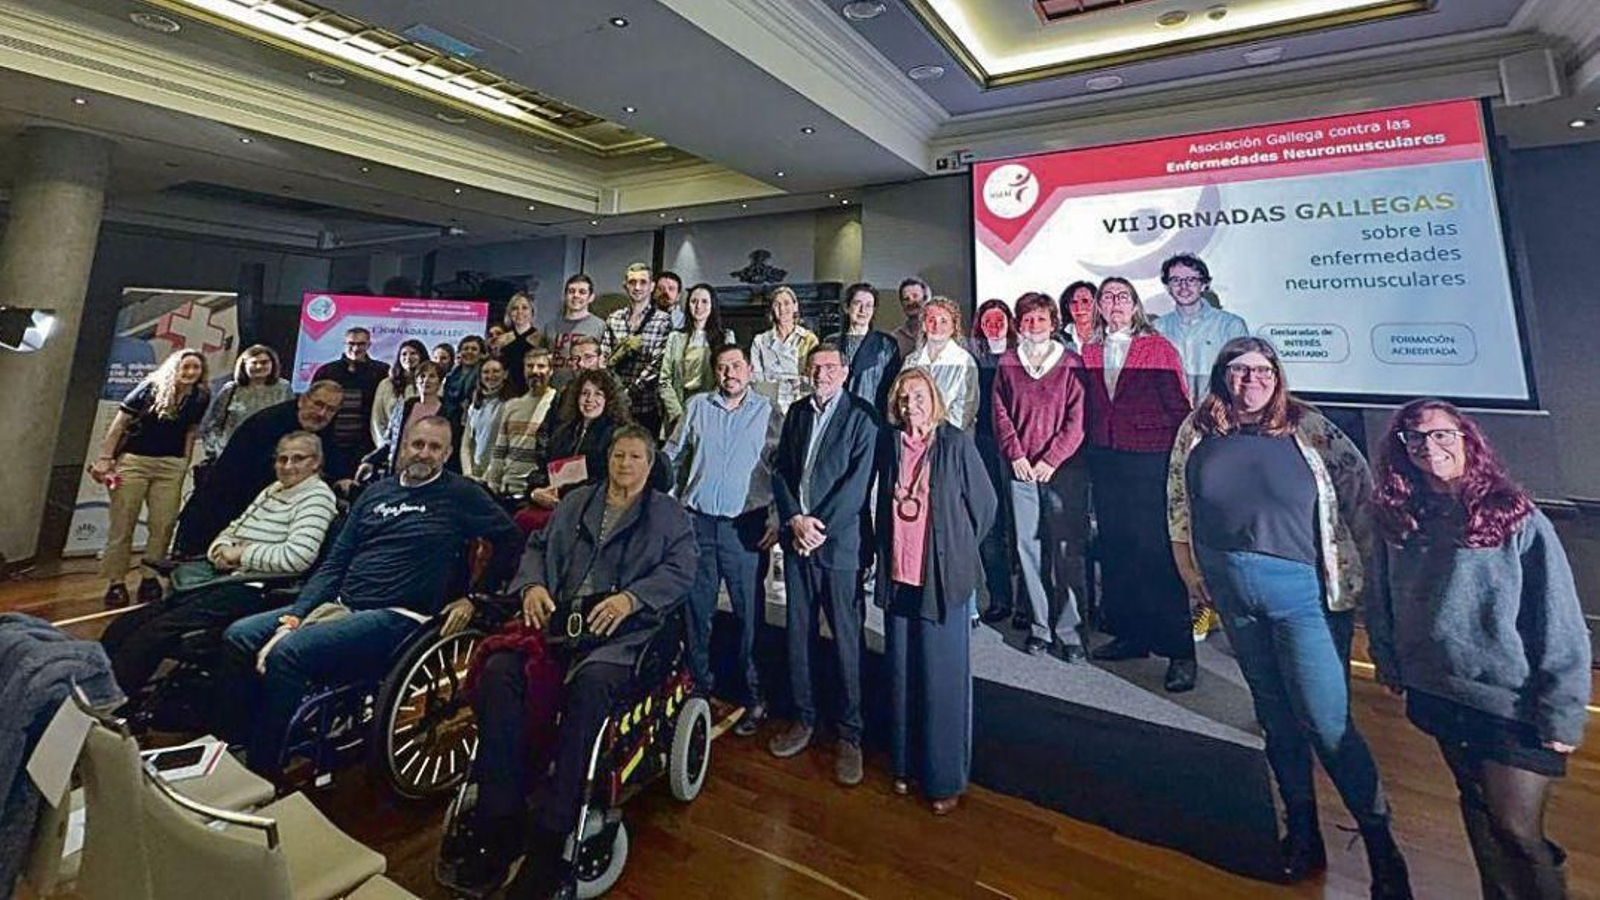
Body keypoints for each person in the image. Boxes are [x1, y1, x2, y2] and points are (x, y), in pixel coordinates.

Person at [1167, 337, 1409, 892]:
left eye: (1260, 370)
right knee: (1275, 718)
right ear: (1222, 376)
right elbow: (1178, 501)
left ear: (1277, 376)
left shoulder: (1312, 428)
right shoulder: (1197, 428)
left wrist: (1377, 592)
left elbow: (1361, 499)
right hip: (1231, 594)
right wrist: (1187, 566)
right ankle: (1302, 830)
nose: (1250, 380)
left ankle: (1381, 845)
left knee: (1327, 724)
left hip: (1306, 596)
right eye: (1238, 370)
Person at [216, 416, 521, 777]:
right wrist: (296, 615)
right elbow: (335, 562)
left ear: (448, 453)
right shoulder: (377, 492)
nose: (424, 453)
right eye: (417, 444)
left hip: (401, 616)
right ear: (403, 445)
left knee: (289, 653)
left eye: (435, 447)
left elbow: (512, 539)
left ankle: (262, 769)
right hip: (342, 604)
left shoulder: (461, 494)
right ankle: (233, 744)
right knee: (238, 636)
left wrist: (475, 597)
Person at [1370, 399, 1590, 898]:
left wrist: (1562, 711)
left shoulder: (1516, 516)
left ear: (1468, 439)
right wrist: (1388, 658)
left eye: (1443, 434)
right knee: (1476, 804)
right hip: (1439, 692)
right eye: (1417, 438)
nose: (1430, 446)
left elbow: (1559, 621)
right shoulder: (1401, 517)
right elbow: (1380, 593)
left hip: (1512, 705)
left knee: (1516, 828)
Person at [464, 426, 696, 898]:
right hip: (556, 624)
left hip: (621, 637)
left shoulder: (669, 516)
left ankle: (551, 835)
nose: (624, 464)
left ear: (651, 466)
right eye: (617, 454)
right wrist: (531, 586)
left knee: (589, 690)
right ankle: (499, 814)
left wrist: (632, 599)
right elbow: (535, 549)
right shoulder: (576, 502)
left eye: (635, 457)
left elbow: (681, 570)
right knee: (499, 673)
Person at [101, 432, 338, 700]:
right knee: (124, 625)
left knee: (153, 633)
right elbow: (234, 528)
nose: (287, 466)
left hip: (256, 588)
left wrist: (240, 554)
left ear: (316, 463)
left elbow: (297, 557)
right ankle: (89, 693)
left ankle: (110, 706)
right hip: (221, 577)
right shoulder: (273, 490)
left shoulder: (317, 498)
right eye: (282, 459)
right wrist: (219, 551)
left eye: (298, 459)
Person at [875, 368, 996, 815]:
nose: (912, 406)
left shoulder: (956, 443)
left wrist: (953, 548)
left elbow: (985, 509)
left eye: (920, 396)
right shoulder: (891, 445)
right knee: (903, 675)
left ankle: (945, 779)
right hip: (898, 576)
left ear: (935, 398)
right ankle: (906, 766)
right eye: (904, 398)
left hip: (943, 581)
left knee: (942, 684)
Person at [768, 344, 878, 786]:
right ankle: (804, 718)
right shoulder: (796, 412)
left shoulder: (863, 416)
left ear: (846, 372)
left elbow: (858, 483)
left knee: (847, 641)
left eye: (831, 367)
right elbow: (780, 471)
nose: (822, 373)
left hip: (840, 547)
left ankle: (850, 735)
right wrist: (795, 518)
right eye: (815, 366)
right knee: (799, 634)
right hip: (798, 540)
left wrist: (819, 529)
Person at [1080, 277, 1196, 692]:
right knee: (1117, 550)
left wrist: (1180, 458)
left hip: (1150, 457)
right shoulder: (1090, 348)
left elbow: (1179, 406)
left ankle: (1180, 650)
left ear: (1135, 305)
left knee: (1157, 554)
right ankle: (1131, 635)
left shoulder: (1157, 347)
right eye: (1107, 297)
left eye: (1122, 297)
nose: (1114, 303)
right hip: (1106, 457)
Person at [662, 344, 781, 734]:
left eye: (736, 365)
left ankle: (753, 697)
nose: (729, 372)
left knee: (748, 617)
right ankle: (698, 689)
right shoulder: (696, 406)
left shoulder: (768, 412)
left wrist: (778, 517)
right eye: (722, 367)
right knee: (697, 613)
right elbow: (672, 455)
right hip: (696, 525)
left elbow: (783, 469)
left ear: (749, 369)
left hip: (744, 528)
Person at [991, 293, 1089, 659]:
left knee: (1067, 550)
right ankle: (1040, 627)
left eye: (1041, 320)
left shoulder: (1071, 363)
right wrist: (1015, 454)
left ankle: (1071, 633)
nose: (1033, 326)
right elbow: (1000, 414)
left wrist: (1051, 459)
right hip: (1020, 470)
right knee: (1027, 549)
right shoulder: (1008, 363)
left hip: (1065, 472)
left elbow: (1077, 421)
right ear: (1019, 324)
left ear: (1053, 323)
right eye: (1027, 320)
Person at [88, 349, 210, 608]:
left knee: (163, 524)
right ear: (174, 367)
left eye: (195, 368)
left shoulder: (200, 396)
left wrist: (184, 461)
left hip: (170, 465)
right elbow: (120, 424)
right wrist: (105, 458)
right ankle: (116, 582)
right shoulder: (150, 389)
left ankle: (149, 577)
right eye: (185, 367)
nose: (190, 373)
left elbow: (191, 430)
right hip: (134, 462)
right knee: (123, 523)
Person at [172, 382, 344, 555]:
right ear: (303, 400)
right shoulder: (267, 424)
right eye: (318, 404)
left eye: (330, 409)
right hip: (224, 505)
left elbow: (332, 459)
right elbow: (240, 477)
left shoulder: (323, 428)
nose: (322, 413)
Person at [518, 369, 641, 533]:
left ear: (609, 400)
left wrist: (562, 494)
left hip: (591, 509)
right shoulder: (564, 431)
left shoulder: (617, 436)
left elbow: (606, 481)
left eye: (598, 394)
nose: (590, 400)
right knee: (521, 519)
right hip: (555, 501)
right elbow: (545, 470)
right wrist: (535, 491)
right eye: (585, 393)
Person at [969, 299, 1018, 630]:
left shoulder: (1024, 353)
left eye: (1000, 319)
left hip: (1021, 447)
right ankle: (1000, 597)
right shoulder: (972, 358)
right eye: (988, 321)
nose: (994, 325)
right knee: (993, 525)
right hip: (984, 445)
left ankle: (1029, 605)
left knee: (1026, 528)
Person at [1153, 254, 1249, 403]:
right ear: (1167, 287)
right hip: (1170, 417)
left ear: (1204, 284)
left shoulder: (1230, 325)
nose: (1183, 286)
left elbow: (1241, 379)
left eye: (1191, 280)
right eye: (1176, 280)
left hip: (1218, 415)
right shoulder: (1157, 328)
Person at [600, 262, 673, 437]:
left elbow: (657, 364)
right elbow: (603, 357)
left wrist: (629, 392)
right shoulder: (614, 318)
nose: (637, 287)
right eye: (632, 282)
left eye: (643, 282)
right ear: (625, 285)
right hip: (613, 404)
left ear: (652, 286)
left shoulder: (662, 320)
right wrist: (614, 392)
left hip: (645, 406)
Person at [311, 326, 389, 477]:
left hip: (366, 446)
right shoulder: (326, 371)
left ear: (369, 345)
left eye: (361, 344)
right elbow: (312, 406)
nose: (355, 348)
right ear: (344, 344)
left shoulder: (381, 371)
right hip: (331, 445)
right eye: (351, 344)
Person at [658, 282, 734, 436]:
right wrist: (678, 413)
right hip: (678, 408)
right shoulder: (676, 337)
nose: (698, 306)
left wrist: (706, 410)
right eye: (694, 301)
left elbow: (728, 378)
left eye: (704, 301)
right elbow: (664, 380)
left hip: (710, 409)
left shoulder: (726, 337)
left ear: (713, 305)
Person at [197, 344, 293, 463]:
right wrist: (216, 451)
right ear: (244, 365)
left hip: (268, 456)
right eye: (254, 363)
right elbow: (213, 424)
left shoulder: (284, 388)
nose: (259, 366)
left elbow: (289, 424)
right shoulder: (230, 390)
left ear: (272, 364)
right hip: (230, 455)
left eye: (264, 362)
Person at [483, 350, 558, 496]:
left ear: (551, 370)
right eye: (530, 366)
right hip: (508, 489)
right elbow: (499, 451)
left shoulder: (558, 403)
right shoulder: (512, 406)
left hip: (537, 491)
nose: (535, 371)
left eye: (541, 366)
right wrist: (492, 484)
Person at [826, 281, 900, 418]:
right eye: (857, 303)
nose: (863, 310)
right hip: (835, 415)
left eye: (868, 306)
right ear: (846, 307)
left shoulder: (886, 345)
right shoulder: (831, 342)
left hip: (871, 416)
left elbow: (892, 389)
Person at [903, 296, 978, 430]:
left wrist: (935, 432)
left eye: (944, 321)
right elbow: (902, 397)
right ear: (924, 325)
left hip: (952, 439)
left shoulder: (965, 361)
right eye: (931, 320)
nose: (937, 326)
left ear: (954, 326)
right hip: (915, 435)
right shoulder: (911, 361)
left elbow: (965, 409)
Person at [371, 360, 451, 474]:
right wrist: (370, 460)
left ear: (440, 381)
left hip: (430, 472)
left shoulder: (449, 411)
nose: (426, 380)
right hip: (399, 470)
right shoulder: (405, 406)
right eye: (422, 376)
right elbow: (391, 440)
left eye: (432, 376)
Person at [750, 285, 819, 414]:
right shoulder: (760, 341)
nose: (782, 309)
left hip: (800, 402)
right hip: (770, 404)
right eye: (777, 304)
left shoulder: (808, 339)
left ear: (795, 306)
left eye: (787, 303)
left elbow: (813, 377)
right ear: (772, 309)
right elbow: (757, 379)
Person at [545, 274, 605, 385]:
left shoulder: (600, 326)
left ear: (591, 297)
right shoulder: (550, 326)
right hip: (555, 388)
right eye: (571, 291)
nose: (576, 295)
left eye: (582, 292)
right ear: (565, 295)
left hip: (584, 389)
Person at [459, 358, 512, 481]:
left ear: (505, 374)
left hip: (498, 476)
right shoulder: (475, 405)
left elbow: (507, 447)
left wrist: (487, 476)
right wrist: (467, 473)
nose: (490, 375)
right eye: (486, 372)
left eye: (496, 371)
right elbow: (466, 444)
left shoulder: (511, 405)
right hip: (474, 475)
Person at [369, 339, 426, 447]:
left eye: (413, 353)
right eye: (404, 354)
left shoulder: (431, 383)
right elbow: (377, 420)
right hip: (390, 447)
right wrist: (385, 448)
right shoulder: (386, 385)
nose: (408, 358)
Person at [496, 292, 545, 395]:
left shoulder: (541, 340)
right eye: (515, 308)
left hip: (532, 392)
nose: (519, 312)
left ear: (532, 311)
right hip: (505, 393)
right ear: (509, 313)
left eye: (524, 308)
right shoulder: (502, 340)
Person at [442, 335, 486, 422]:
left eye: (474, 349)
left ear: (481, 354)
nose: (469, 352)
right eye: (465, 348)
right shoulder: (451, 377)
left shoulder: (484, 376)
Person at [890, 277, 930, 357]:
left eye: (915, 296)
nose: (911, 302)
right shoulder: (894, 339)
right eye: (906, 299)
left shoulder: (942, 332)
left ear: (926, 299)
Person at [1057, 280, 1097, 353]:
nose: (1079, 308)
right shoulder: (1057, 339)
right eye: (1073, 302)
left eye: (1085, 301)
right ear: (1067, 307)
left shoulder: (1109, 337)